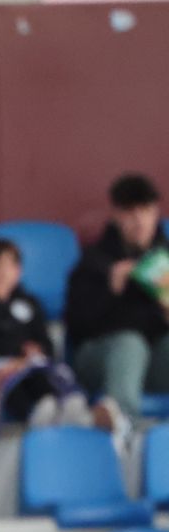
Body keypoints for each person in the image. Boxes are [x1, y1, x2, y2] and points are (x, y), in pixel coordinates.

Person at [0, 239, 121, 436]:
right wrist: (11, 355)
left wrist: (37, 350)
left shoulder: (29, 303)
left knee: (42, 374)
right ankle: (44, 415)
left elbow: (45, 341)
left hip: (29, 365)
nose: (4, 272)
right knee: (11, 382)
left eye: (11, 265)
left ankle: (70, 411)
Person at [65, 173, 169, 421]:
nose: (139, 221)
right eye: (130, 213)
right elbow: (78, 327)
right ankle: (123, 428)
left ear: (156, 213)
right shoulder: (94, 261)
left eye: (146, 211)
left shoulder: (164, 264)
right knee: (129, 343)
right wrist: (110, 291)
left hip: (152, 365)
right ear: (116, 216)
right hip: (100, 361)